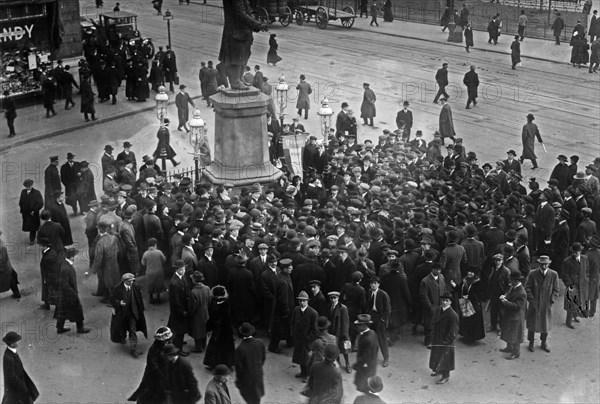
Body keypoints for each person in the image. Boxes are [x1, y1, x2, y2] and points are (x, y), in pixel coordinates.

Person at [218, 0, 268, 90]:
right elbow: (240, 14)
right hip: (236, 32)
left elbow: (248, 11)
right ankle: (236, 81)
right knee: (237, 58)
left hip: (242, 32)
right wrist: (256, 24)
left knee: (244, 55)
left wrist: (256, 22)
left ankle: (239, 79)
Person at [128, 326, 172, 403]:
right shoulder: (154, 349)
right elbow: (152, 365)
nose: (167, 342)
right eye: (166, 341)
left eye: (168, 340)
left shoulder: (167, 348)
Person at [524, 255, 559, 353]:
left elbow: (556, 290)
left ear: (549, 264)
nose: (544, 266)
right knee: (532, 323)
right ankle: (531, 342)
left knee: (545, 324)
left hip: (546, 304)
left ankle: (544, 342)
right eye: (542, 264)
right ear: (539, 264)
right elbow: (527, 287)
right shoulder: (532, 273)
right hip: (534, 303)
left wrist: (551, 300)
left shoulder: (553, 274)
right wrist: (532, 299)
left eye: (546, 264)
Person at [110, 273, 148, 357]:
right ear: (125, 281)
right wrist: (119, 302)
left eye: (132, 281)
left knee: (132, 330)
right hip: (122, 314)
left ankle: (133, 349)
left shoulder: (135, 287)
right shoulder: (117, 288)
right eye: (130, 281)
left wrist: (141, 309)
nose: (132, 283)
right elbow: (111, 299)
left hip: (133, 313)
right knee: (122, 328)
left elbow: (139, 298)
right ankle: (122, 337)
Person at [428, 292, 458, 384]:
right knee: (437, 356)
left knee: (445, 358)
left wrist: (447, 341)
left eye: (447, 301)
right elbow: (434, 322)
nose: (444, 302)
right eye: (443, 300)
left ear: (450, 302)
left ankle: (446, 376)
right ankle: (437, 369)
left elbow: (453, 331)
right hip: (437, 337)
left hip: (446, 340)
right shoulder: (439, 310)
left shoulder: (453, 315)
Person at [2, 331, 39, 403]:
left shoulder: (12, 352)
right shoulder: (8, 358)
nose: (18, 342)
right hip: (16, 388)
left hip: (18, 385)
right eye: (16, 341)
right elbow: (12, 377)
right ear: (12, 344)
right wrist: (23, 388)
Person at [234, 322, 266, 404]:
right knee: (256, 399)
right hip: (258, 376)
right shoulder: (260, 343)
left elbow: (238, 368)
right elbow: (263, 358)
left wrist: (238, 380)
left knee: (250, 400)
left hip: (247, 380)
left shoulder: (240, 348)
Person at [291, 290, 318, 380]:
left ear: (307, 301)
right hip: (298, 339)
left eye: (304, 300)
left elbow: (315, 330)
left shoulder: (313, 313)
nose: (302, 302)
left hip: (307, 341)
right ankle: (303, 373)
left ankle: (307, 375)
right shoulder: (296, 310)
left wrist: (308, 338)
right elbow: (293, 322)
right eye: (300, 301)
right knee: (300, 358)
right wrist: (293, 333)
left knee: (307, 359)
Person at [562, 242, 590, 328]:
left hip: (582, 284)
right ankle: (568, 322)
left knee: (579, 302)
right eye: (573, 252)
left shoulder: (585, 259)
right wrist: (570, 285)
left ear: (580, 251)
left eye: (576, 252)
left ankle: (575, 316)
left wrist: (586, 280)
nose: (574, 254)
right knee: (571, 303)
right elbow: (564, 275)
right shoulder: (567, 261)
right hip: (572, 285)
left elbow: (587, 271)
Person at [420, 262, 447, 346]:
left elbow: (444, 289)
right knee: (429, 325)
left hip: (441, 306)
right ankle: (428, 342)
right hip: (431, 307)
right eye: (437, 269)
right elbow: (423, 296)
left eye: (440, 270)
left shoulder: (442, 277)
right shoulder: (425, 281)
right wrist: (430, 307)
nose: (438, 271)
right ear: (432, 269)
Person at [168, 260, 191, 355]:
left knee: (177, 328)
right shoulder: (174, 283)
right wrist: (182, 311)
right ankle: (178, 349)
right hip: (178, 310)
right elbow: (175, 301)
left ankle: (177, 342)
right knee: (179, 330)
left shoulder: (182, 278)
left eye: (184, 269)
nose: (183, 271)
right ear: (176, 269)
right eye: (181, 269)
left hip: (182, 307)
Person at [366, 276, 391, 367]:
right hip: (372, 317)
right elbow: (368, 305)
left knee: (382, 339)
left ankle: (386, 358)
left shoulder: (383, 294)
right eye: (371, 283)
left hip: (380, 318)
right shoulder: (369, 292)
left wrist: (383, 320)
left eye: (375, 283)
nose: (373, 285)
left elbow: (388, 310)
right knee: (371, 338)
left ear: (378, 284)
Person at [457, 266, 485, 342]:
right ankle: (466, 335)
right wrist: (455, 286)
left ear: (474, 274)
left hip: (474, 304)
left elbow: (480, 294)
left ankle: (472, 338)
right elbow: (460, 288)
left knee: (472, 320)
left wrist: (469, 296)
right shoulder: (464, 280)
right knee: (466, 320)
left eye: (472, 272)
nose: (469, 273)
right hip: (465, 303)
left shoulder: (477, 282)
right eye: (469, 271)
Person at [352, 314, 379, 393]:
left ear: (364, 326)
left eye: (359, 325)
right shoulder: (373, 333)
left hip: (366, 369)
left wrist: (356, 365)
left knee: (364, 387)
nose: (357, 327)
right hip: (371, 366)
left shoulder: (367, 339)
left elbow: (365, 357)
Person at [188, 271, 210, 353]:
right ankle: (204, 345)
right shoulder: (207, 288)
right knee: (204, 328)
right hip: (205, 311)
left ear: (194, 280)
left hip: (197, 313)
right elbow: (209, 300)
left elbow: (192, 306)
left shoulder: (193, 292)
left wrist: (190, 313)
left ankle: (198, 347)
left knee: (197, 330)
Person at [19, 179, 44, 245]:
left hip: (34, 213)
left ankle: (35, 239)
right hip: (26, 213)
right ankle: (33, 238)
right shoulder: (23, 192)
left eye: (29, 186)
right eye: (27, 186)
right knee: (30, 226)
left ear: (31, 185)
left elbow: (40, 203)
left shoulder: (37, 193)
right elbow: (21, 201)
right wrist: (22, 209)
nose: (28, 187)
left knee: (35, 226)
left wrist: (35, 210)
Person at [0, 231, 21, 299]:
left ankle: (17, 294)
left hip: (3, 267)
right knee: (11, 279)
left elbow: (2, 260)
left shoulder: (1, 247)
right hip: (6, 267)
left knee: (10, 279)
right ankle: (17, 293)